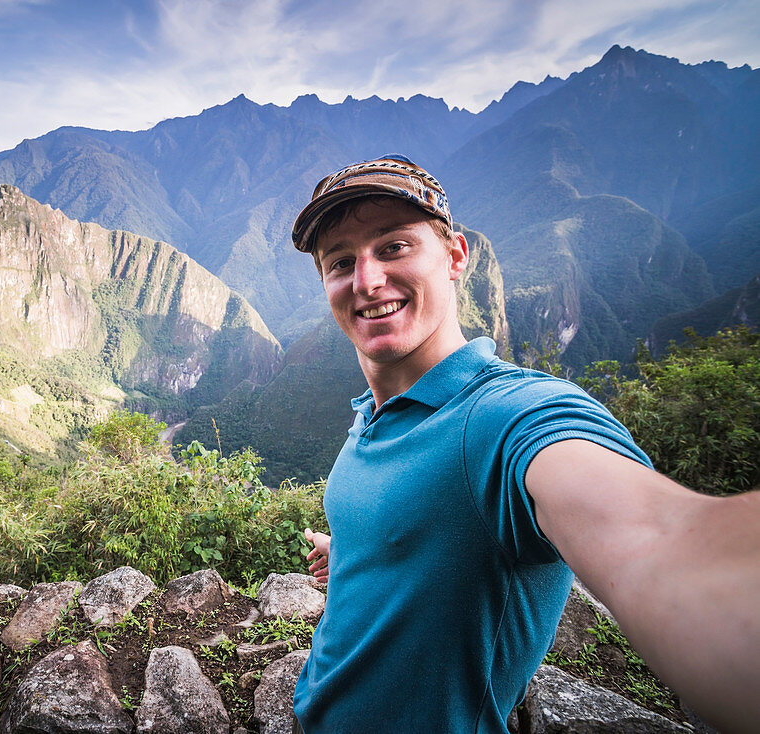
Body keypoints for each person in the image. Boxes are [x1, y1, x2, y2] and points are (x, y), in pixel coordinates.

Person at [288, 154, 760, 733]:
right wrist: (361, 552)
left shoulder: (508, 418)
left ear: (456, 256)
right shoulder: (375, 413)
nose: (366, 279)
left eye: (394, 247)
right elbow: (431, 524)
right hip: (311, 712)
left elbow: (656, 534)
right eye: (341, 262)